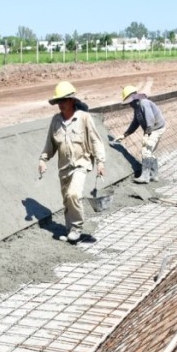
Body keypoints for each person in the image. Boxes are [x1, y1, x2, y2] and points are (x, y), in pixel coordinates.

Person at [38, 81, 106, 242]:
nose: (60, 104)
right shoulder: (55, 121)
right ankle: (70, 231)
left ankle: (76, 228)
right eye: (58, 101)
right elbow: (50, 144)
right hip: (63, 168)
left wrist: (101, 161)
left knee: (73, 194)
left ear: (72, 101)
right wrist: (43, 160)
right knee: (67, 199)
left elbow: (96, 140)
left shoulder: (84, 118)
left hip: (81, 164)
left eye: (63, 100)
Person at [116, 85, 167, 183]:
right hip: (152, 129)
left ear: (134, 99)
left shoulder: (144, 103)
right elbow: (135, 123)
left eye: (129, 102)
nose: (129, 105)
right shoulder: (137, 107)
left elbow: (150, 120)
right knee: (150, 151)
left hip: (156, 128)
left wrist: (147, 135)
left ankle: (145, 176)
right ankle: (154, 175)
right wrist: (125, 134)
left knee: (146, 150)